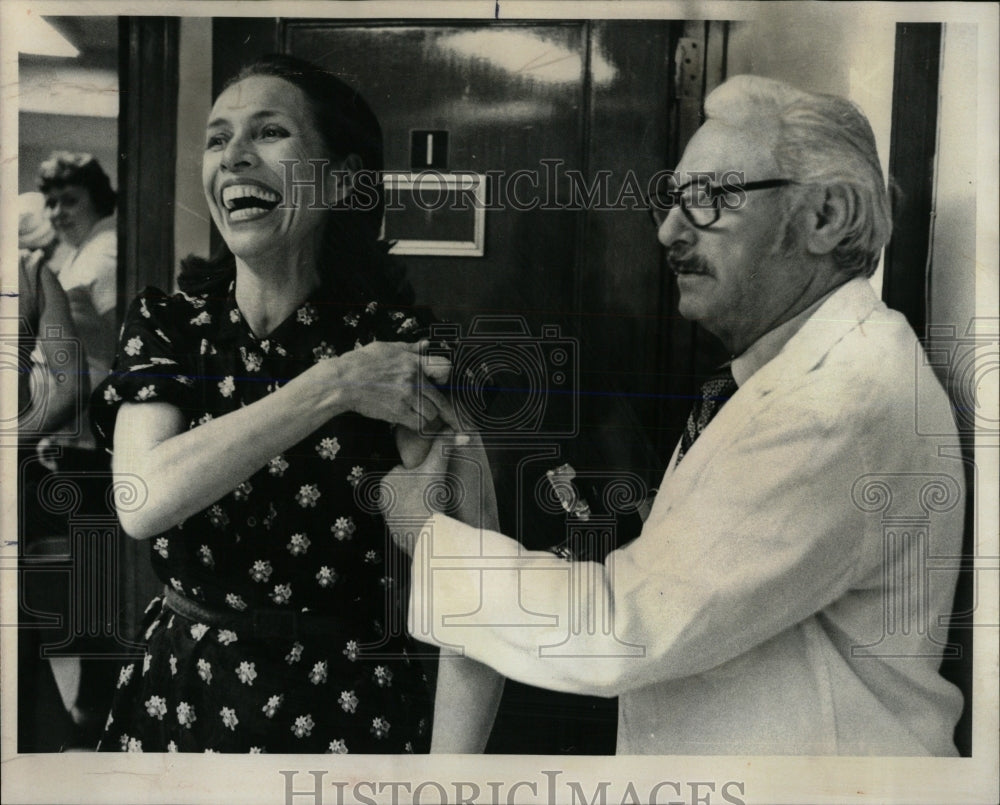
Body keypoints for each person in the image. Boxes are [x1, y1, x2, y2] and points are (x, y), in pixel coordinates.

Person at [381, 75, 966, 755]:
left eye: (712, 198)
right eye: (675, 198)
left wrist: (422, 530)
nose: (669, 230)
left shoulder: (836, 402)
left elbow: (627, 624)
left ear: (825, 216)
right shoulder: (779, 373)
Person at [90, 54, 501, 754]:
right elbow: (141, 496)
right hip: (180, 705)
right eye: (218, 139)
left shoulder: (397, 349)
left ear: (340, 180)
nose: (235, 158)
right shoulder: (169, 326)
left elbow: (477, 589)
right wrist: (332, 385)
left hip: (345, 715)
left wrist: (449, 783)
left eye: (270, 132)